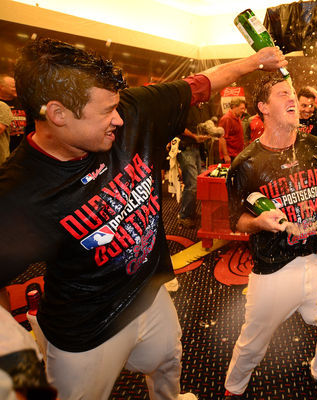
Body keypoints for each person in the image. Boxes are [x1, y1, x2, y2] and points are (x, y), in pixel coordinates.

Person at [0, 38, 286, 400]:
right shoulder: (19, 192)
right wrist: (12, 359)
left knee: (168, 364)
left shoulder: (132, 111)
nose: (119, 119)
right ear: (58, 114)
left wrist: (254, 61)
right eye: (107, 111)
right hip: (84, 331)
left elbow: (198, 84)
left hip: (150, 295)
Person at [223, 73, 317, 399]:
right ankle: (234, 388)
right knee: (253, 341)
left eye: (293, 92)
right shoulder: (246, 163)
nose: (293, 98)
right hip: (273, 265)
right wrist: (259, 222)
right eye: (283, 93)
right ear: (263, 107)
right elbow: (237, 222)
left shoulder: (316, 148)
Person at [0, 74, 28, 152]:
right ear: (1, 87)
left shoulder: (23, 102)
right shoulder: (1, 105)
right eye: (13, 87)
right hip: (5, 150)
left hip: (23, 149)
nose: (16, 89)